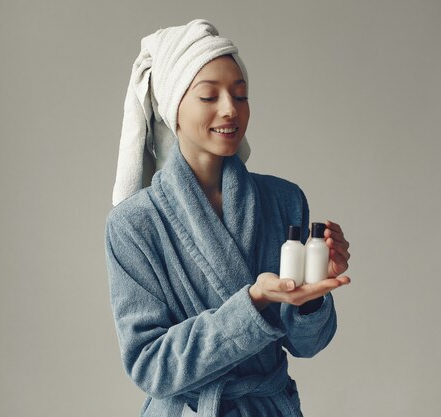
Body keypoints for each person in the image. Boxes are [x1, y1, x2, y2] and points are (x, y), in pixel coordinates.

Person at [105, 19, 351, 417]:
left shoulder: (284, 200)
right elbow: (149, 365)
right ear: (174, 109)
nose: (229, 109)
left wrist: (313, 297)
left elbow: (308, 345)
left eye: (240, 95)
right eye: (209, 96)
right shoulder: (134, 225)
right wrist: (253, 301)